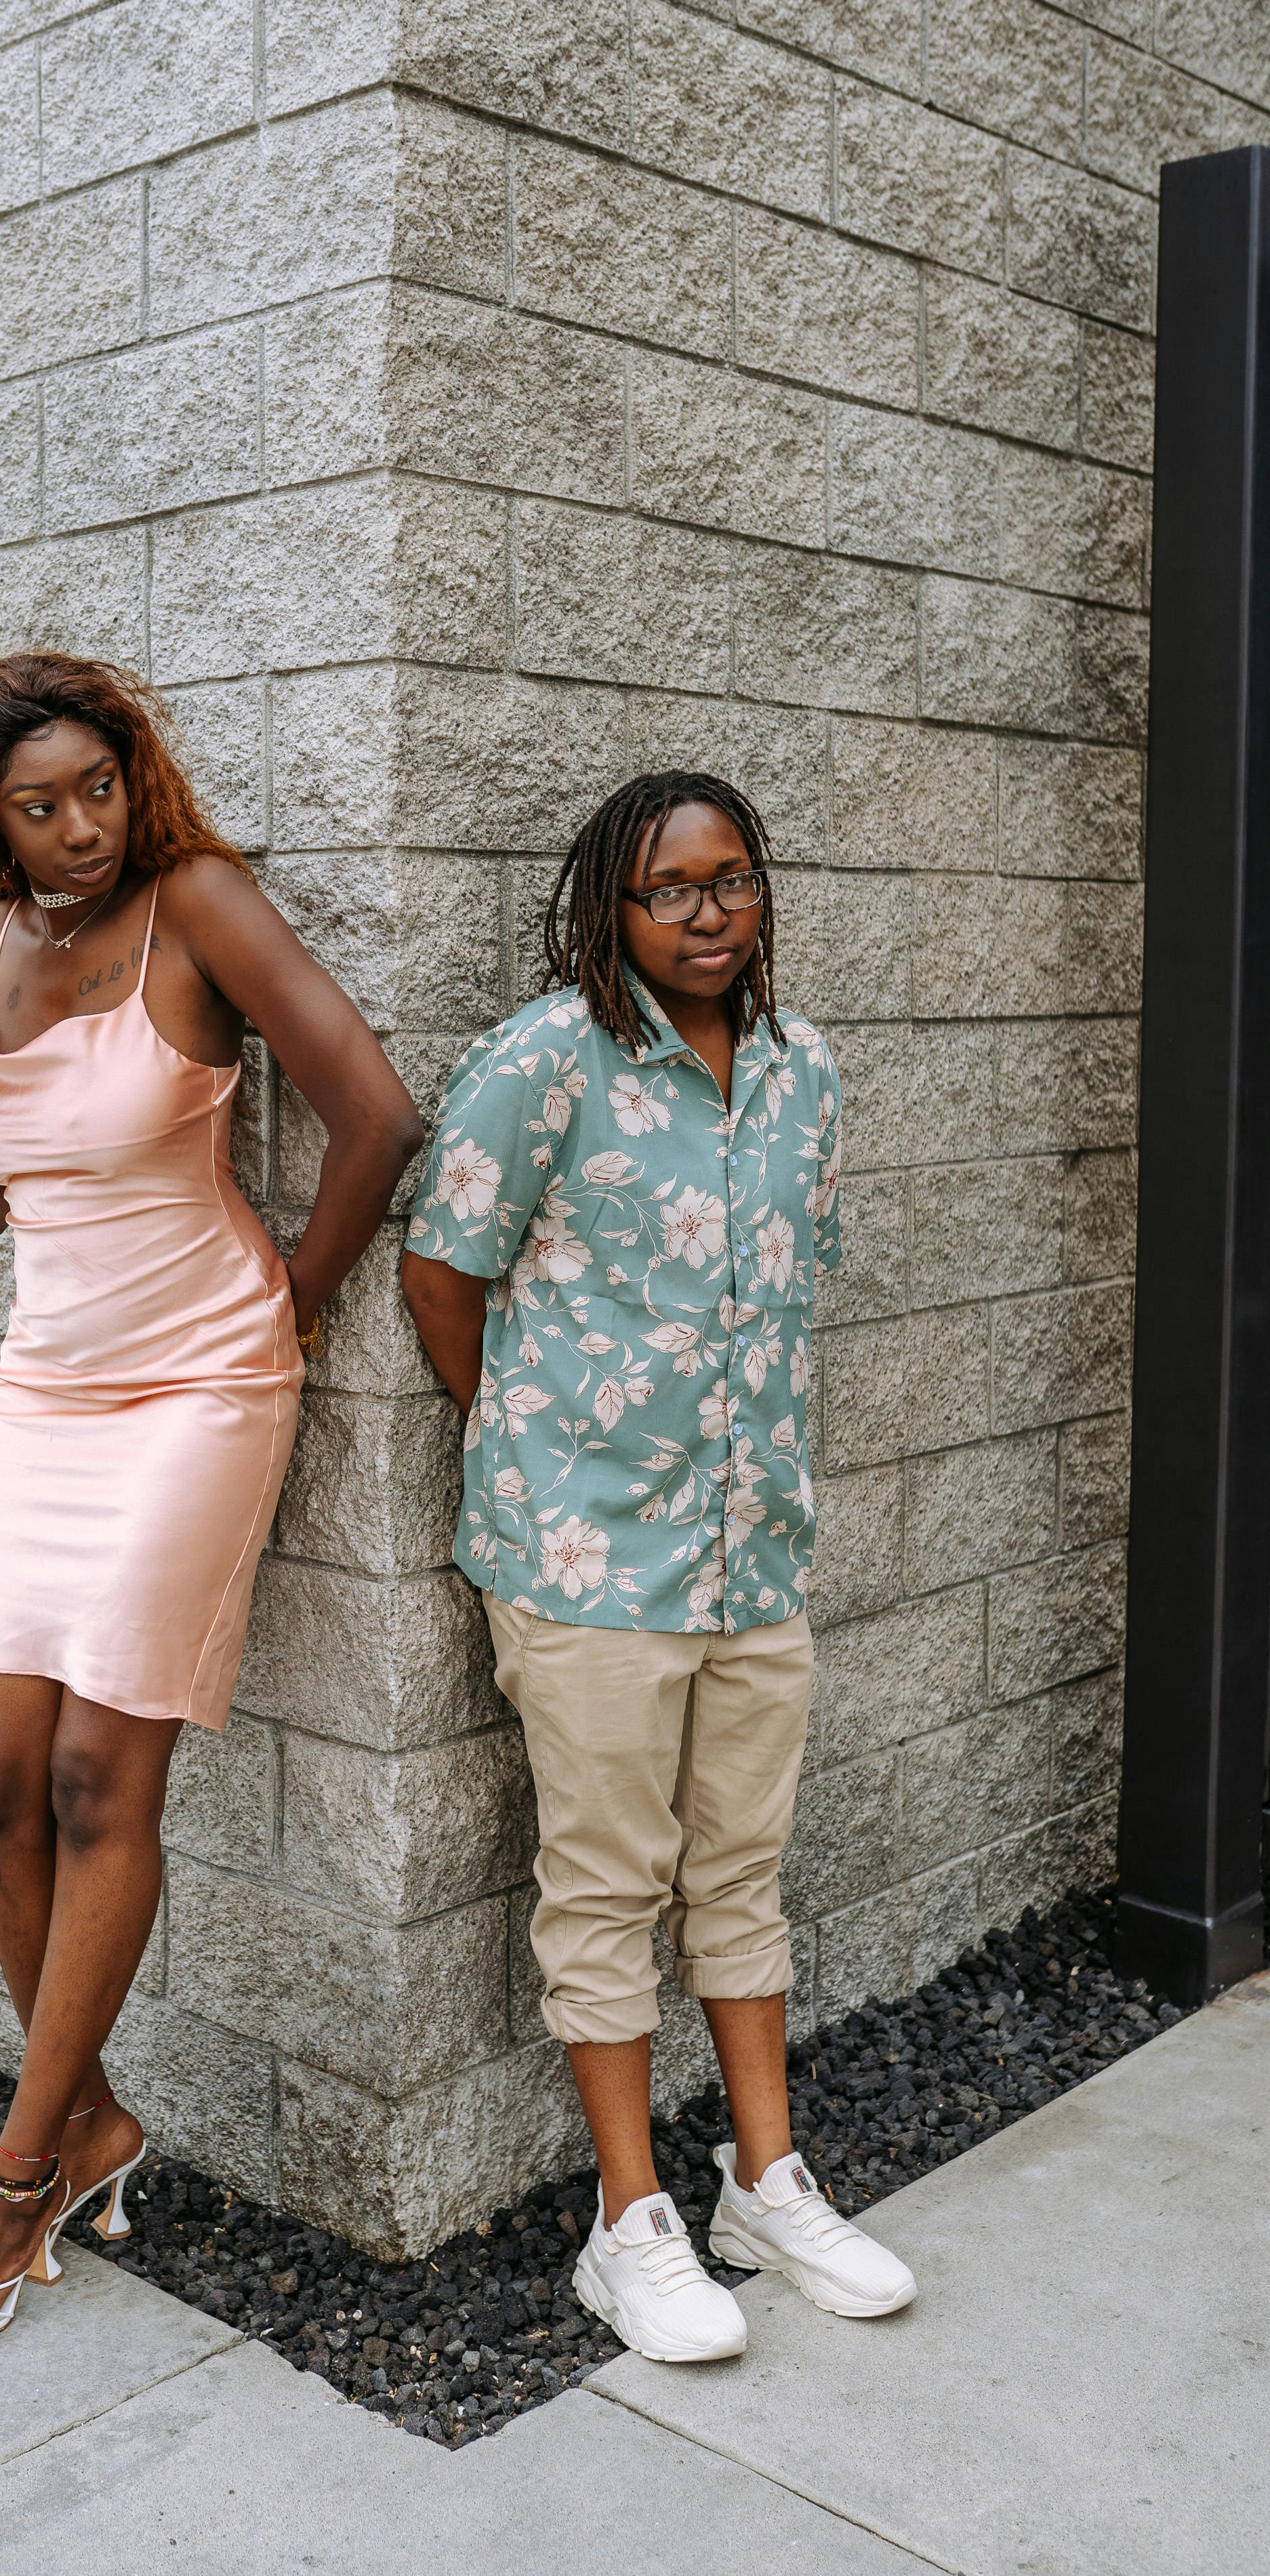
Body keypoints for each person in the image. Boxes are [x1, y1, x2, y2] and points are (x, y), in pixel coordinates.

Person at [0, 651, 422, 2359]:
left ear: (134, 777)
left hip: (198, 1389)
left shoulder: (197, 904)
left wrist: (295, 1296)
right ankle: (94, 2116)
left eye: (96, 787)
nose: (77, 827)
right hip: (44, 1391)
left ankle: (19, 2167)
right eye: (35, 805)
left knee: (104, 1769)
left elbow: (377, 1113)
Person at [401, 770, 915, 2363]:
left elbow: (788, 1293)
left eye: (729, 878)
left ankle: (765, 2178)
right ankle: (628, 2219)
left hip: (752, 1547)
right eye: (666, 888)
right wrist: (536, 1449)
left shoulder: (804, 1069)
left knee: (741, 1871)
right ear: (607, 910)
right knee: (605, 1887)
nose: (704, 911)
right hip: (585, 1561)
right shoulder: (543, 1058)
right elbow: (441, 1270)